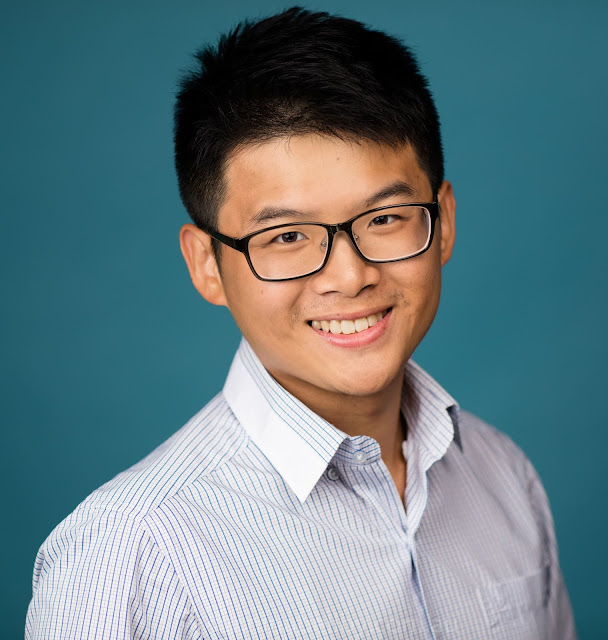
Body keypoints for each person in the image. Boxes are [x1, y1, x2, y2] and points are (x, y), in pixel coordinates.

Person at [25, 6, 577, 639]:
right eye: (286, 236)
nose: (350, 276)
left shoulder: (504, 476)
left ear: (443, 221)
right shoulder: (128, 555)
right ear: (207, 264)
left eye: (386, 219)